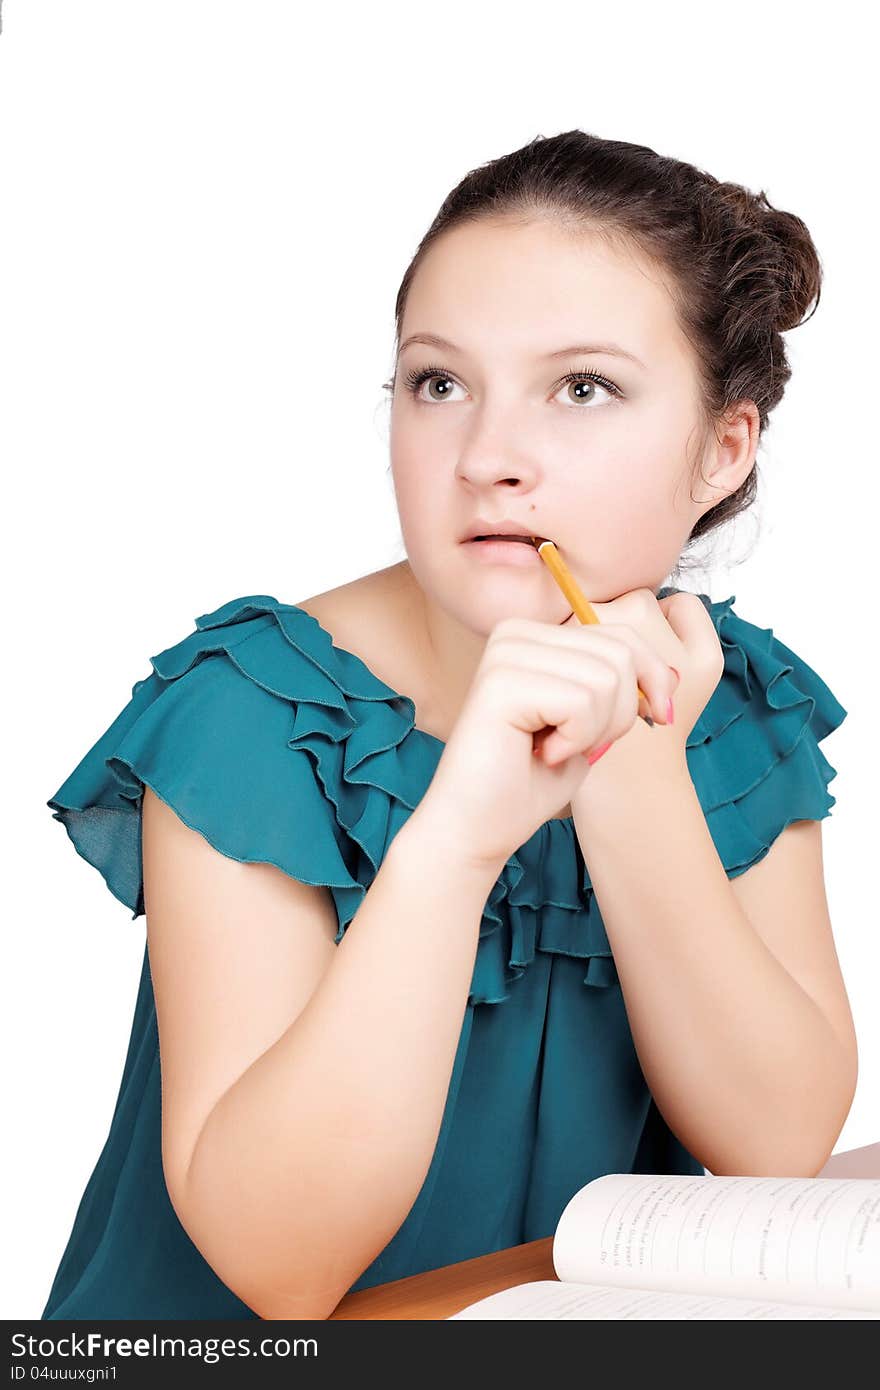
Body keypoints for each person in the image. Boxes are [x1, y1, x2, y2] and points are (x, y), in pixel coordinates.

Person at [41, 129, 857, 1321]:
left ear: (722, 448)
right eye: (438, 383)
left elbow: (774, 1143)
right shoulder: (258, 709)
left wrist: (634, 777)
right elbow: (282, 1266)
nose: (485, 458)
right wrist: (458, 838)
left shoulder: (738, 703)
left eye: (582, 389)